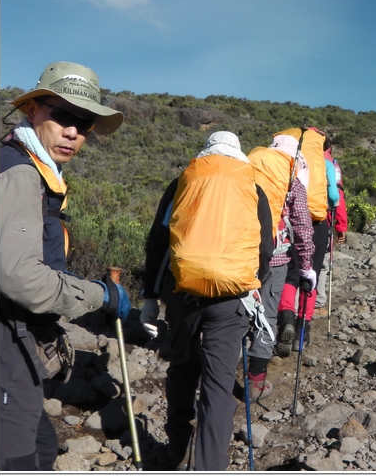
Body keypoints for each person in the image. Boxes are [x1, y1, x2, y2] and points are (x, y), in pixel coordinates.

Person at [0, 61, 131, 471]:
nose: (73, 131)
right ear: (33, 110)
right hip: (7, 335)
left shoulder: (25, 165)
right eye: (62, 115)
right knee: (21, 456)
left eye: (84, 123)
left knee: (40, 442)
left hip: (16, 332)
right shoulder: (21, 172)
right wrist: (99, 295)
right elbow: (18, 275)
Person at [138, 131, 273, 471]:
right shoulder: (252, 186)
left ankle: (177, 452)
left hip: (183, 293)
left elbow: (159, 240)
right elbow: (265, 250)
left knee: (183, 368)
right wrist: (254, 284)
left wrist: (151, 297)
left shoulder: (184, 180)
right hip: (233, 299)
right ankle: (210, 465)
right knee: (219, 382)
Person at [243, 135, 316, 401]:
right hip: (274, 258)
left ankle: (222, 370)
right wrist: (307, 266)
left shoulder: (246, 168)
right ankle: (256, 380)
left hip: (242, 257)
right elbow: (303, 227)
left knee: (238, 314)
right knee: (267, 315)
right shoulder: (290, 179)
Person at [272, 127, 339, 356]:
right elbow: (334, 197)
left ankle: (286, 317)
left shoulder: (285, 161)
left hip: (289, 221)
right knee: (311, 274)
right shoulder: (326, 165)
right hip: (318, 222)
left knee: (290, 273)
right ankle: (302, 333)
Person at [314, 146, 347, 317]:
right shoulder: (330, 165)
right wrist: (341, 228)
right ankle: (317, 302)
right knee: (322, 264)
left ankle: (292, 304)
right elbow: (337, 197)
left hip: (294, 223)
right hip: (322, 222)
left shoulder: (296, 159)